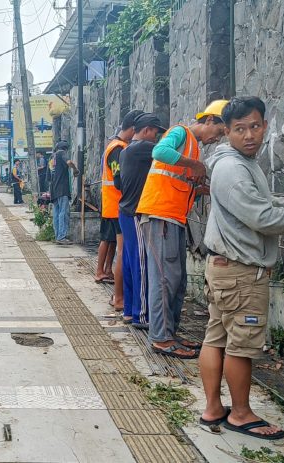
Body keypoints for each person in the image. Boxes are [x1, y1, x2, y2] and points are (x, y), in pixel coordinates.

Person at [198, 96, 284, 440]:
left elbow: (264, 201)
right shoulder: (234, 168)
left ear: (265, 126)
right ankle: (240, 414)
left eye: (255, 126)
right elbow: (263, 217)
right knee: (240, 345)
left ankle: (214, 408)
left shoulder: (238, 162)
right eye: (240, 129)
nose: (249, 135)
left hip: (225, 268)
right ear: (227, 132)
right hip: (241, 273)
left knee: (217, 338)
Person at [135, 100, 228, 359]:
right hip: (160, 214)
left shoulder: (194, 148)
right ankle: (161, 338)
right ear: (210, 121)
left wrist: (200, 189)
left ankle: (170, 334)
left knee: (177, 281)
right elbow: (160, 152)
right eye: (219, 132)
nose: (216, 139)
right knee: (165, 279)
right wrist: (193, 165)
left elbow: (178, 181)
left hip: (173, 217)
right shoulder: (180, 133)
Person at [115, 113, 166, 327]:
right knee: (141, 265)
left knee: (129, 262)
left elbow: (118, 182)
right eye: (155, 133)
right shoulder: (143, 148)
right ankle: (141, 315)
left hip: (124, 212)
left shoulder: (126, 151)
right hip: (135, 213)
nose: (156, 138)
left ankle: (129, 311)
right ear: (146, 131)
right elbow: (166, 152)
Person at [96, 110, 144, 315]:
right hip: (119, 206)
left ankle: (115, 290)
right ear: (134, 129)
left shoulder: (116, 146)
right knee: (123, 252)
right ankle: (119, 297)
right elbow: (120, 179)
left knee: (116, 247)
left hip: (114, 205)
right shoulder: (119, 149)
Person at [49, 140, 80, 245]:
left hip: (54, 188)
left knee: (57, 213)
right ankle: (62, 237)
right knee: (63, 212)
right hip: (62, 188)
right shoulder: (61, 153)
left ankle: (57, 236)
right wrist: (75, 169)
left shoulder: (53, 157)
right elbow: (69, 162)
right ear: (65, 149)